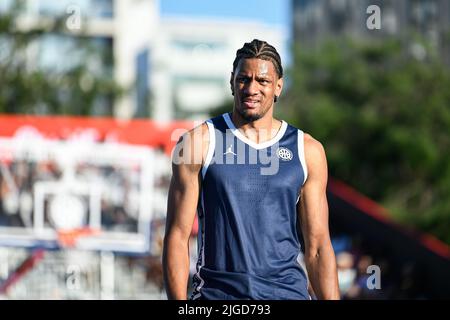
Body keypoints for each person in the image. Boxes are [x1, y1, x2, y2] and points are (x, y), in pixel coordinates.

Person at [163, 39, 340, 300]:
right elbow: (177, 237)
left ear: (278, 86)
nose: (251, 88)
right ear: (232, 82)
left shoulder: (308, 150)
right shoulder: (197, 143)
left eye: (263, 81)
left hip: (287, 294)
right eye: (244, 79)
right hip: (217, 297)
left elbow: (317, 247)